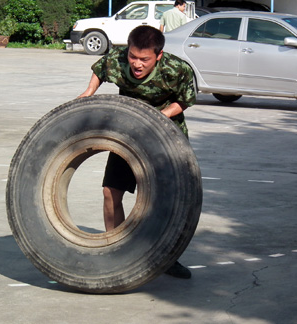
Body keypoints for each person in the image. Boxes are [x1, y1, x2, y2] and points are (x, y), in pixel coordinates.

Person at [78, 25, 196, 279]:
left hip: (166, 139)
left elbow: (184, 100)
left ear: (159, 56)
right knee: (111, 192)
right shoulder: (119, 60)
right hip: (128, 135)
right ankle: (116, 248)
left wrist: (156, 117)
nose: (137, 64)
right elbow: (100, 70)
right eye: (133, 56)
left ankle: (167, 258)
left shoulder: (177, 70)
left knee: (164, 203)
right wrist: (89, 92)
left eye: (145, 59)